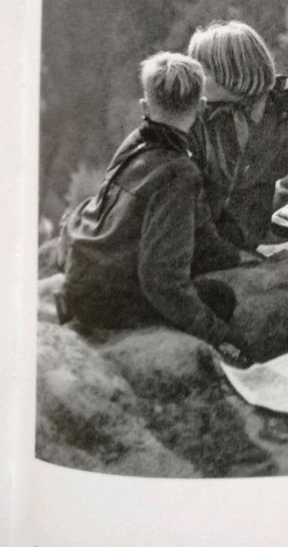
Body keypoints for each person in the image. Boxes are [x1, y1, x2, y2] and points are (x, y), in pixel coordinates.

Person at [58, 52, 249, 359]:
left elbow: (197, 225)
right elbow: (160, 280)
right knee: (219, 298)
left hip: (80, 277)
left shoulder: (136, 141)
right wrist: (219, 334)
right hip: (103, 305)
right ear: (200, 108)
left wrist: (228, 255)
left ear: (145, 107)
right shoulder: (179, 172)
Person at [188, 21, 288, 250]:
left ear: (234, 72)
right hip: (199, 227)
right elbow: (184, 192)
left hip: (252, 221)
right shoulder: (196, 114)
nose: (194, 79)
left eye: (203, 72)